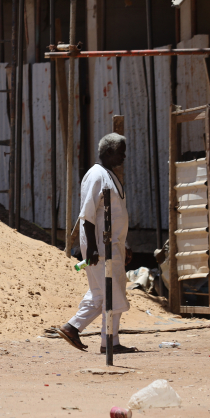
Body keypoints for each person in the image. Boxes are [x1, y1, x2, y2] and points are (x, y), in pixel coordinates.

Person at [56, 133, 136, 354]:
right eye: (121, 151)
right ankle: (110, 343)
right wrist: (91, 247)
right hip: (101, 246)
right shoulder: (97, 175)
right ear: (109, 152)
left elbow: (114, 215)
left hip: (112, 244)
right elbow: (88, 215)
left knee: (100, 294)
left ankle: (72, 328)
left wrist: (125, 243)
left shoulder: (110, 175)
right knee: (114, 292)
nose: (124, 156)